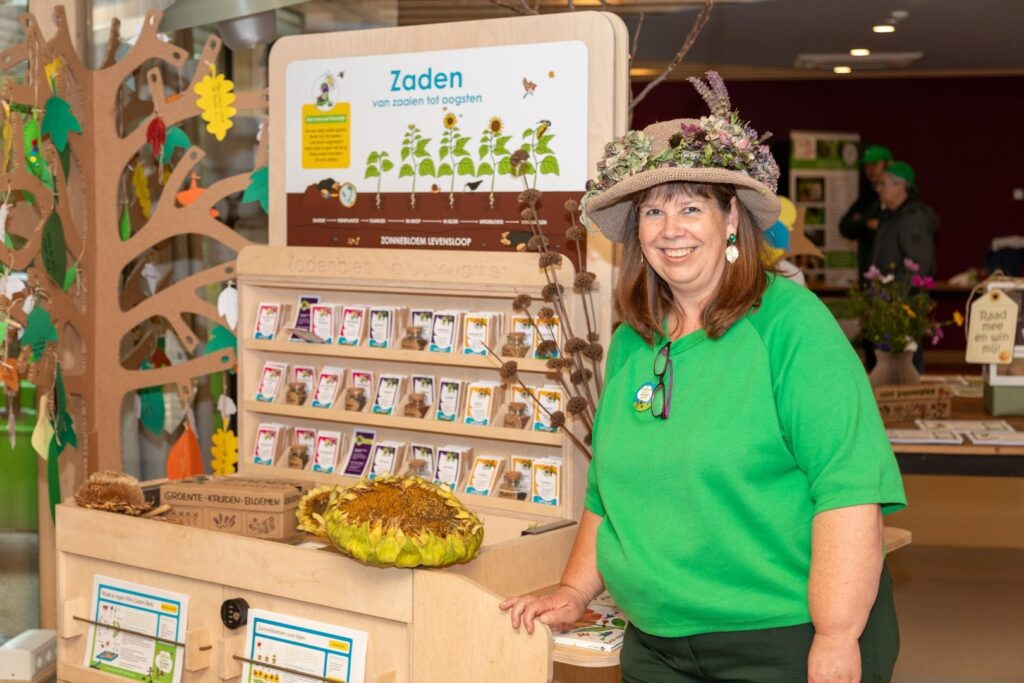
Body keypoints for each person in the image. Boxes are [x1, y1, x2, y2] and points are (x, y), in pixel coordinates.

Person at [500, 71, 906, 683]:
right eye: (654, 211)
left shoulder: (791, 326)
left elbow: (848, 489)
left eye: (692, 206)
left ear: (733, 220)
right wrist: (575, 589)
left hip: (783, 639)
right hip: (657, 644)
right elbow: (607, 495)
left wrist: (836, 637)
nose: (671, 228)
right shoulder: (636, 339)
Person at [870, 161, 939, 277]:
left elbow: (919, 266)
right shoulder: (889, 216)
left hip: (904, 294)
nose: (878, 189)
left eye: (882, 184)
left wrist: (896, 290)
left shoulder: (914, 218)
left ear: (900, 185)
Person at [840, 145, 892, 285]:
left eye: (874, 164)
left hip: (889, 279)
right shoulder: (867, 196)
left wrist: (861, 223)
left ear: (887, 165)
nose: (870, 170)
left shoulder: (897, 199)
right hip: (867, 276)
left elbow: (886, 232)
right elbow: (845, 227)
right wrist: (866, 223)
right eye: (867, 166)